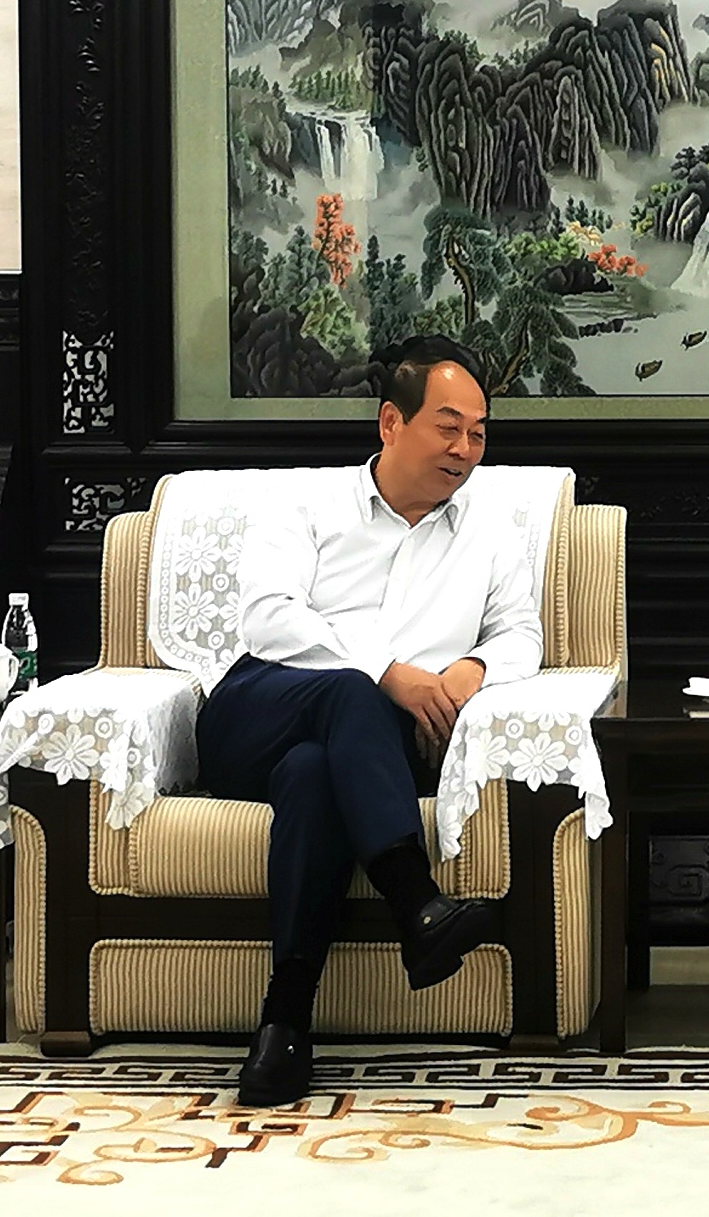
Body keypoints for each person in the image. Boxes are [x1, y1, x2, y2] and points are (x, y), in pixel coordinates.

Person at [197, 336, 542, 1108]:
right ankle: (416, 900)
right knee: (352, 692)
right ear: (391, 422)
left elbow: (521, 633)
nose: (465, 449)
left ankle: (284, 1024)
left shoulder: (489, 533)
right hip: (261, 709)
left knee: (315, 774)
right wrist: (387, 672)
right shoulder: (308, 505)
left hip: (369, 752)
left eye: (478, 432)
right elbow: (268, 616)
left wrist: (471, 669)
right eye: (448, 427)